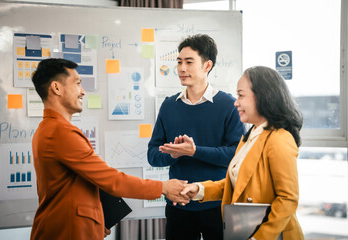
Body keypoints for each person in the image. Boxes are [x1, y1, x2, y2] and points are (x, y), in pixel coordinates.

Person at [30, 58, 189, 240]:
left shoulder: (49, 128)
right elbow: (112, 180)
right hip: (68, 231)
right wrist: (162, 187)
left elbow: (78, 183)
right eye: (77, 84)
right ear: (56, 88)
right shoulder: (60, 132)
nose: (82, 92)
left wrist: (96, 217)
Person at [181, 66, 305, 240]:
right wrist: (199, 189)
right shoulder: (251, 135)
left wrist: (259, 238)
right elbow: (238, 183)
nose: (236, 102)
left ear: (263, 97)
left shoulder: (279, 138)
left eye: (241, 95)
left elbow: (288, 199)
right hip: (243, 229)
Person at [148, 34, 245, 240]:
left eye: (189, 62)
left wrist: (194, 151)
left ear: (207, 65)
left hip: (218, 205)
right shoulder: (169, 105)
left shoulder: (228, 105)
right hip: (179, 205)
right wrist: (173, 155)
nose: (182, 68)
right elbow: (153, 156)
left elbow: (237, 155)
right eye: (179, 62)